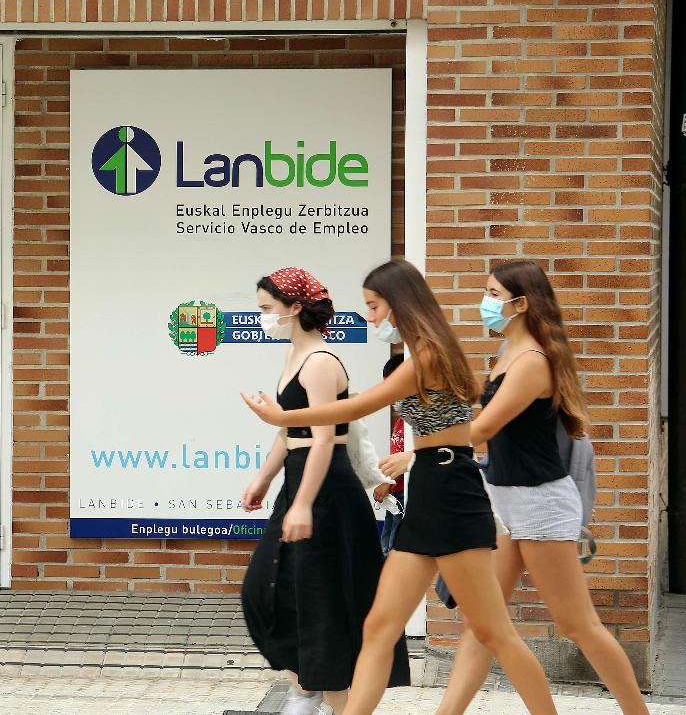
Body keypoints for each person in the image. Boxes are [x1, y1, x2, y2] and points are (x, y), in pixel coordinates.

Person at [241, 258, 559, 715]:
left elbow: (355, 408)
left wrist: (282, 418)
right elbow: (450, 422)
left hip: (452, 494)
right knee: (379, 627)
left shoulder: (425, 355)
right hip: (429, 486)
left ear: (398, 305)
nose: (368, 317)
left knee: (493, 633)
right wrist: (415, 456)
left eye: (373, 306)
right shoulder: (416, 356)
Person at [420, 260, 648, 715]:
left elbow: (481, 428)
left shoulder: (532, 363)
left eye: (492, 294)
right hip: (506, 504)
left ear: (520, 304)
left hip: (540, 504)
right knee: (483, 624)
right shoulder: (505, 353)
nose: (485, 302)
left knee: (576, 624)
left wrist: (420, 453)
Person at [239, 267, 410, 715]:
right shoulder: (294, 358)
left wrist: (302, 504)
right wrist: (263, 479)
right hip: (301, 480)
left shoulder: (319, 363)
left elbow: (323, 439)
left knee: (322, 598)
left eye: (267, 309)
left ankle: (328, 695)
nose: (262, 318)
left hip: (326, 489)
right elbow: (288, 431)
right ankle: (307, 686)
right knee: (267, 590)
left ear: (296, 309)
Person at [372, 354, 406, 557]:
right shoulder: (401, 420)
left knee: (395, 551)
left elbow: (407, 458)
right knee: (385, 548)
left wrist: (388, 482)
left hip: (403, 494)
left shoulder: (412, 422)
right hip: (395, 495)